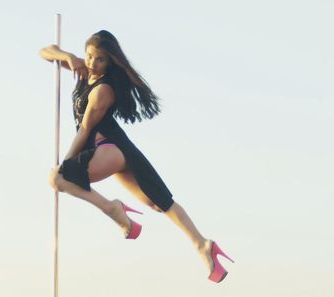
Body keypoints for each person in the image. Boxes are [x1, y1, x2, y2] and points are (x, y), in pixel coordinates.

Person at [39, 30, 234, 283]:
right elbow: (46, 51)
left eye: (100, 60)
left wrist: (65, 164)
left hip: (108, 147)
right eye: (89, 56)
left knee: (57, 178)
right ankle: (202, 244)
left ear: (110, 62)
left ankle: (113, 209)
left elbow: (85, 129)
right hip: (116, 148)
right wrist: (68, 57)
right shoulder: (83, 68)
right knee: (157, 202)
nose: (92, 64)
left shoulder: (103, 90)